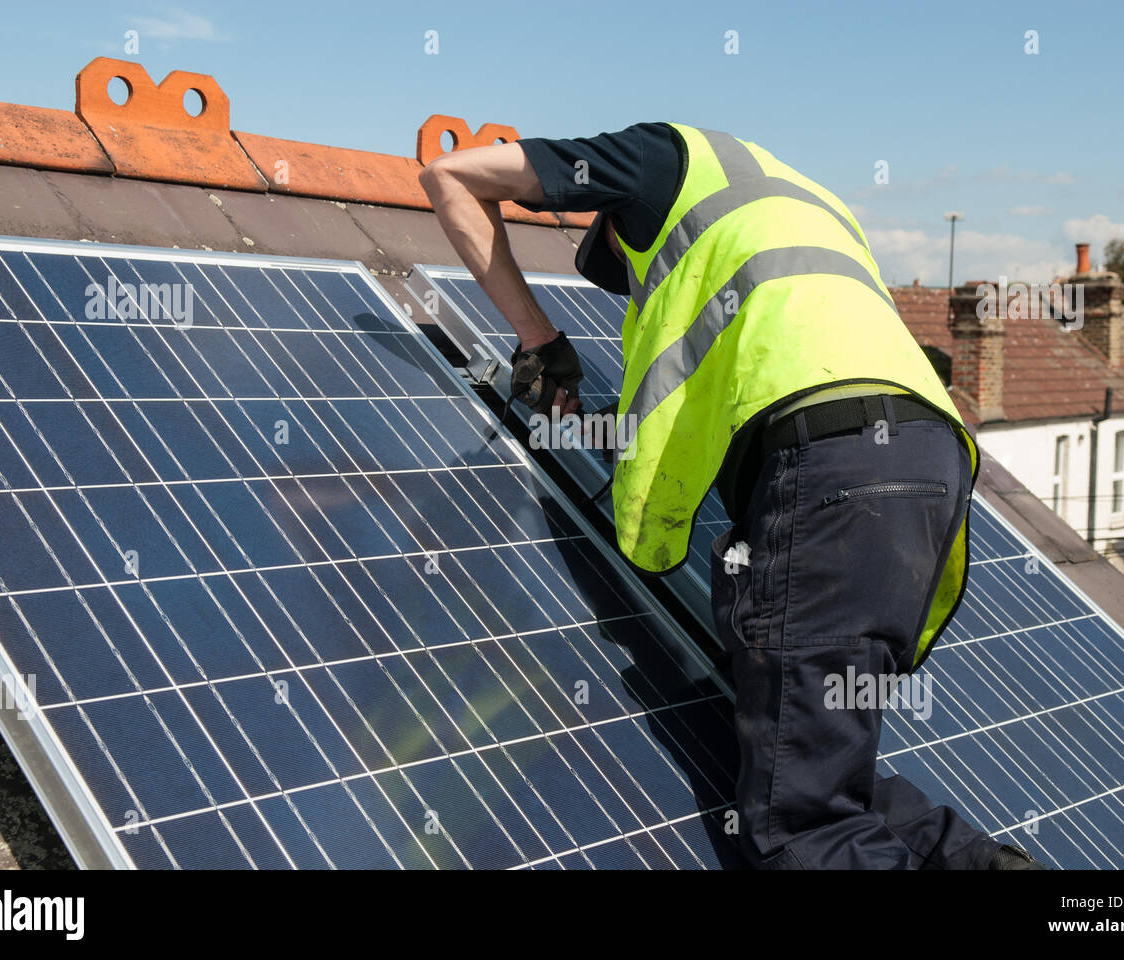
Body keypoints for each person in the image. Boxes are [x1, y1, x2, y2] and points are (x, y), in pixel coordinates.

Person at [420, 122, 1045, 870]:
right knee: (813, 760)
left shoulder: (655, 160)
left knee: (800, 829)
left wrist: (537, 339)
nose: (640, 295)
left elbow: (449, 174)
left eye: (623, 268)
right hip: (928, 462)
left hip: (832, 470)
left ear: (614, 215)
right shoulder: (807, 206)